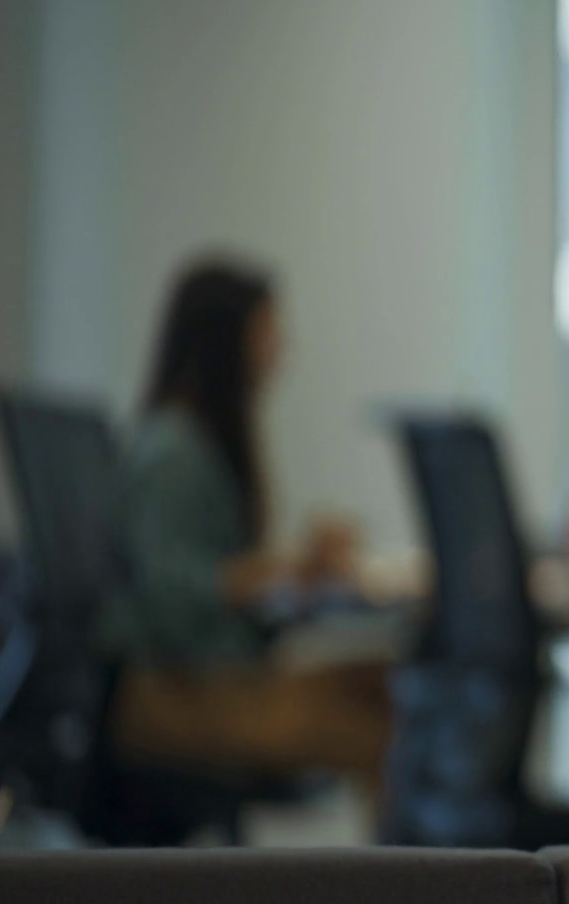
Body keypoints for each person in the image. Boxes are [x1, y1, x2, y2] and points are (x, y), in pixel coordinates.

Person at [96, 255, 389, 787]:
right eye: (266, 332)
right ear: (225, 343)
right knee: (382, 733)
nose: (279, 351)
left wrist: (296, 575)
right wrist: (283, 570)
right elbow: (170, 596)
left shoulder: (196, 444)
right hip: (173, 696)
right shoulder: (173, 452)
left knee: (388, 684)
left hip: (210, 679)